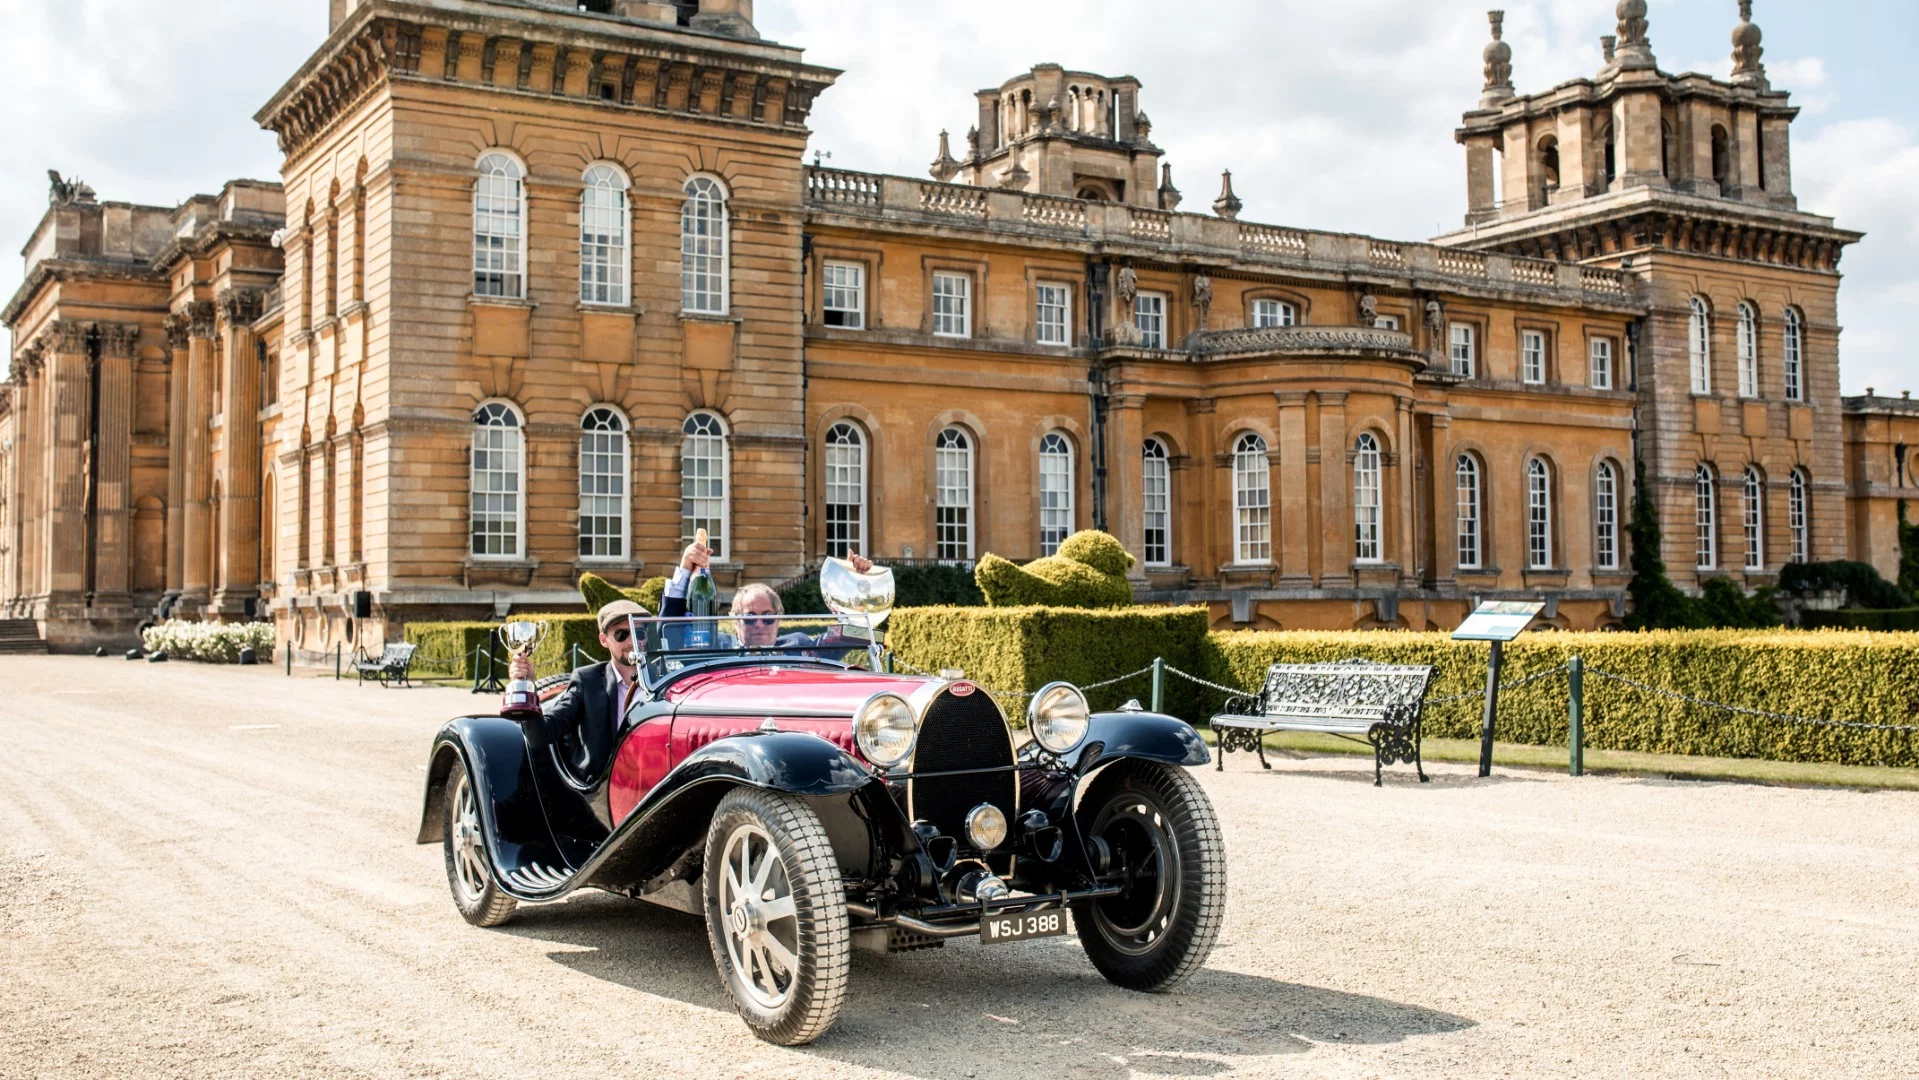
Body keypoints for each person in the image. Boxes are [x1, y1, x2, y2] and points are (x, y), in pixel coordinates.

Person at [507, 598, 647, 785]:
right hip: (605, 788)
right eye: (622, 634)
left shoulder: (668, 678)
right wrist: (526, 685)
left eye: (639, 632)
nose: (632, 641)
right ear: (604, 640)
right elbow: (541, 735)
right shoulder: (587, 681)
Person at [663, 541, 873, 650]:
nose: (760, 625)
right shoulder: (716, 647)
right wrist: (684, 569)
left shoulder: (798, 646)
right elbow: (669, 635)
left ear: (778, 620)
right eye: (750, 618)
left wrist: (856, 583)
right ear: (735, 622)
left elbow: (858, 635)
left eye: (768, 617)